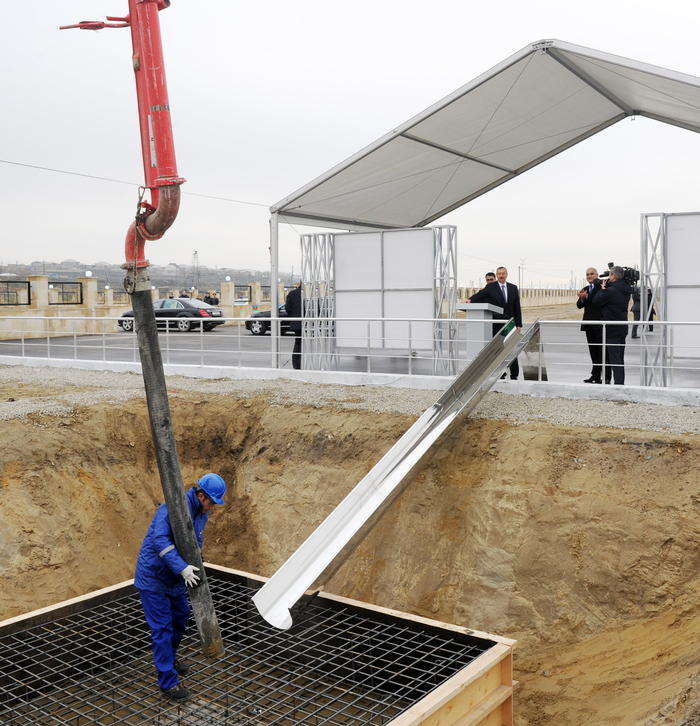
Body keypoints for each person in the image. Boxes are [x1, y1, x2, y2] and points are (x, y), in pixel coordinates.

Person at [134, 473, 227, 701]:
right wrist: (182, 568)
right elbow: (160, 541)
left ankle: (170, 659)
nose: (213, 508)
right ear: (201, 495)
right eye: (212, 502)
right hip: (154, 577)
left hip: (174, 577)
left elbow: (195, 540)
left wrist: (195, 561)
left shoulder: (200, 512)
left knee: (182, 615)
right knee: (162, 629)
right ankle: (168, 683)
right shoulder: (172, 509)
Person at [466, 266, 522, 379]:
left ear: (507, 275)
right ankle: (500, 373)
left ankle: (514, 374)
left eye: (503, 273)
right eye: (499, 273)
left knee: (511, 349)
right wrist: (470, 300)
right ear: (497, 275)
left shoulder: (513, 288)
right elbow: (480, 295)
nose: (501, 275)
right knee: (498, 350)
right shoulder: (491, 287)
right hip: (496, 323)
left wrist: (518, 324)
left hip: (510, 323)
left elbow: (517, 307)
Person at [592, 266, 633, 385]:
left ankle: (619, 386)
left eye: (610, 275)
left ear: (613, 276)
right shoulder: (626, 290)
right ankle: (620, 382)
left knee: (615, 359)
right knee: (619, 359)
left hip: (611, 329)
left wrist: (603, 289)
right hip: (622, 328)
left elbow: (596, 302)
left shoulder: (610, 291)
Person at [577, 267, 606, 384]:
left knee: (600, 351)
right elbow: (579, 305)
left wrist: (587, 297)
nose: (589, 276)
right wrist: (582, 298)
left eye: (592, 274)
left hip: (599, 324)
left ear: (597, 275)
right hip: (588, 325)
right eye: (588, 274)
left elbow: (596, 301)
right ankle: (595, 375)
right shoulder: (585, 289)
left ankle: (603, 376)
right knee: (592, 351)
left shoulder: (602, 288)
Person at [285, 284, 303, 370]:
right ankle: (305, 362)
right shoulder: (309, 293)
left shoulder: (292, 293)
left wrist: (293, 316)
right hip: (308, 323)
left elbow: (287, 308)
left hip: (296, 322)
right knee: (307, 343)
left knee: (298, 342)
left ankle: (296, 364)